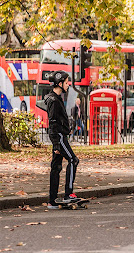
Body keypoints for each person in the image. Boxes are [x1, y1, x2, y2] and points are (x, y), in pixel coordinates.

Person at [44, 70, 80, 209]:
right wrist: (57, 145)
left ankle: (52, 200)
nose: (68, 85)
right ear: (59, 83)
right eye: (66, 82)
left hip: (59, 136)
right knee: (73, 160)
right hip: (58, 137)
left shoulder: (57, 98)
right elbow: (52, 123)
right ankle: (68, 194)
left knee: (56, 167)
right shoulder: (54, 100)